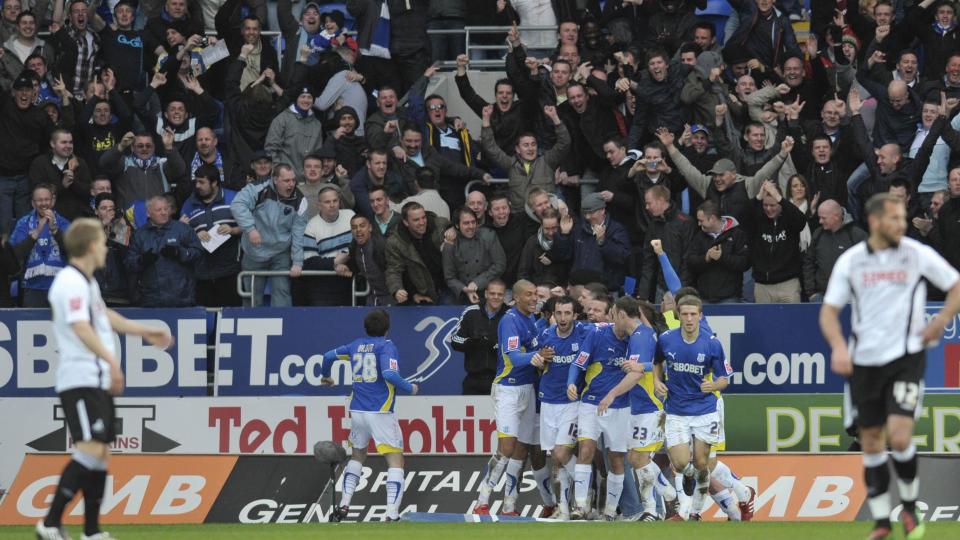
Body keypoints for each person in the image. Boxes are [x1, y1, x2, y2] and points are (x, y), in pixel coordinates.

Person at [820, 193, 960, 540]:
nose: (901, 225)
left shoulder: (916, 254)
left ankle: (910, 508)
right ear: (875, 222)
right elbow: (828, 311)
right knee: (870, 441)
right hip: (864, 362)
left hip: (906, 357)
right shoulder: (852, 261)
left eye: (902, 219)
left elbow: (956, 285)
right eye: (895, 219)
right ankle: (882, 522)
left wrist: (941, 317)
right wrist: (838, 346)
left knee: (899, 437)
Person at [36, 218, 173, 540]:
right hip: (81, 378)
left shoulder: (88, 283)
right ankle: (51, 523)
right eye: (101, 242)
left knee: (100, 453)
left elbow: (103, 316)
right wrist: (112, 362)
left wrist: (145, 330)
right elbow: (82, 326)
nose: (105, 248)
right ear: (88, 246)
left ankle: (92, 531)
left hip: (94, 380)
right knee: (90, 448)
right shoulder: (69, 281)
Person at [322, 309, 420, 523]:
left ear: (366, 328)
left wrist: (326, 376)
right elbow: (389, 374)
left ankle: (344, 504)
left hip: (358, 410)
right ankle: (391, 514)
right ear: (387, 329)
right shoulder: (386, 346)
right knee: (395, 460)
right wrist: (410, 388)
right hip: (381, 411)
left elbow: (327, 356)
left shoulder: (355, 345)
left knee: (358, 455)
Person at [474, 279, 554, 516]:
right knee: (506, 447)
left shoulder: (531, 320)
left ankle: (510, 505)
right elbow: (512, 357)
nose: (533, 299)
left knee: (522, 449)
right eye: (529, 295)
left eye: (535, 295)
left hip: (528, 388)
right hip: (508, 389)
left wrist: (544, 353)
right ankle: (482, 500)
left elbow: (536, 350)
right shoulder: (509, 320)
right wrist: (536, 356)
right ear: (516, 298)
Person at [654, 295, 732, 521]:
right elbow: (657, 363)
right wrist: (657, 381)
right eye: (684, 314)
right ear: (678, 315)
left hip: (704, 411)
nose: (688, 319)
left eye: (693, 314)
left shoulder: (712, 343)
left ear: (700, 316)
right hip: (676, 411)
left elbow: (724, 379)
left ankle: (696, 512)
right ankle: (688, 477)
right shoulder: (666, 339)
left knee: (701, 462)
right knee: (680, 463)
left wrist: (713, 385)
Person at [529, 295, 585, 520]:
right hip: (548, 401)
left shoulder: (584, 334)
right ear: (553, 315)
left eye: (567, 313)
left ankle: (584, 493)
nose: (562, 318)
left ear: (575, 315)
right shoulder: (545, 335)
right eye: (558, 313)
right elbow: (537, 363)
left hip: (571, 403)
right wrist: (539, 358)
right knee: (556, 457)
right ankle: (563, 509)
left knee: (562, 453)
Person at [231, 164, 308, 307]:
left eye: (293, 180)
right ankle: (251, 327)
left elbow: (298, 233)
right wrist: (250, 229)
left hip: (281, 252)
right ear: (275, 180)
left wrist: (298, 262)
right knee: (252, 297)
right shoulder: (258, 188)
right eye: (286, 181)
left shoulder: (301, 201)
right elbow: (237, 205)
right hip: (254, 252)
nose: (291, 184)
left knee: (282, 292)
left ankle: (284, 326)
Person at [480, 104, 570, 213]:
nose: (530, 148)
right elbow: (490, 148)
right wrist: (485, 119)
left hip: (546, 216)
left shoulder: (547, 161)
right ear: (518, 149)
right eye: (526, 145)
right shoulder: (510, 164)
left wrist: (555, 117)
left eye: (533, 144)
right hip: (520, 217)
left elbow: (564, 143)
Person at [179, 164, 242, 307]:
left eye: (202, 182)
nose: (197, 186)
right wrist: (194, 233)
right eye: (196, 182)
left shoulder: (235, 198)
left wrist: (233, 230)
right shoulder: (188, 204)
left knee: (230, 319)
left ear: (214, 183)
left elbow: (250, 227)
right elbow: (181, 235)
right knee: (205, 321)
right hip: (201, 273)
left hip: (229, 270)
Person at [125, 195, 203, 307]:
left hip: (182, 298)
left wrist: (179, 253)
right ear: (148, 213)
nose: (163, 212)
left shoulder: (183, 229)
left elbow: (198, 253)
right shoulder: (139, 235)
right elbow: (129, 263)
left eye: (166, 209)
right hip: (151, 299)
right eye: (158, 210)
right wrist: (142, 260)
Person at [10, 183, 70, 307]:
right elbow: (15, 255)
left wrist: (55, 231)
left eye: (47, 199)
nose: (44, 203)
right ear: (33, 203)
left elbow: (73, 251)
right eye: (40, 200)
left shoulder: (64, 223)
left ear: (52, 201)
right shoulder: (23, 223)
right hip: (32, 288)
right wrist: (35, 233)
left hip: (59, 287)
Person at [747, 180, 807, 303]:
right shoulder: (758, 219)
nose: (768, 209)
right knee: (764, 322)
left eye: (773, 205)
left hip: (788, 283)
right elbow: (742, 217)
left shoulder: (789, 218)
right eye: (765, 205)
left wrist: (779, 197)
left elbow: (801, 220)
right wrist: (758, 197)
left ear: (780, 204)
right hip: (762, 285)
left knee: (791, 321)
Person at [385, 202, 451, 305]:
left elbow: (460, 221)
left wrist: (454, 229)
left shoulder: (439, 225)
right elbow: (393, 270)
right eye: (416, 220)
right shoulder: (395, 242)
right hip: (422, 294)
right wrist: (397, 290)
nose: (422, 222)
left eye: (423, 217)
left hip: (449, 287)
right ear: (406, 222)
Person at [451, 279, 510, 395]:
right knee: (469, 413)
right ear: (486, 294)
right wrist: (474, 341)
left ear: (505, 296)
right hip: (474, 380)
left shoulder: (511, 315)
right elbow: (454, 341)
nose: (496, 297)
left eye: (500, 294)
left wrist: (497, 344)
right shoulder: (471, 312)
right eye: (492, 293)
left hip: (503, 381)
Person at [299, 185, 355, 306]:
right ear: (319, 205)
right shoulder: (311, 226)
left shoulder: (350, 216)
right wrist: (334, 263)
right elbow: (309, 261)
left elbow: (360, 245)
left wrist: (345, 262)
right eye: (327, 202)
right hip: (323, 284)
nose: (332, 205)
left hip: (350, 278)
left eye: (335, 201)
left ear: (339, 202)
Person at [803, 200, 867, 301]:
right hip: (821, 296)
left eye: (823, 218)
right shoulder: (818, 234)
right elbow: (808, 262)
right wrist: (811, 292)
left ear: (836, 216)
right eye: (819, 217)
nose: (820, 221)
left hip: (850, 298)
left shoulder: (856, 235)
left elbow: (869, 264)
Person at [442, 207, 506, 304]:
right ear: (457, 225)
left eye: (473, 222)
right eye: (466, 223)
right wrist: (465, 289)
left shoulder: (488, 236)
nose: (471, 226)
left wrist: (478, 282)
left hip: (487, 287)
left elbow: (500, 265)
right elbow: (449, 277)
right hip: (461, 292)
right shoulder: (450, 243)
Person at [28, 129, 93, 221]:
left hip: (78, 219)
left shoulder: (80, 163)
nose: (68, 146)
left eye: (70, 142)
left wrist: (73, 182)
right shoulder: (39, 163)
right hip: (49, 218)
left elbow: (88, 191)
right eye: (63, 142)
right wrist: (62, 185)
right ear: (52, 144)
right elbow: (36, 194)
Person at [345, 214, 391, 306]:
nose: (358, 230)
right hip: (373, 297)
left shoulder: (382, 246)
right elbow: (354, 266)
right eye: (354, 227)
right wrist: (343, 266)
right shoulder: (354, 248)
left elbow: (398, 269)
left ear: (370, 228)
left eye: (362, 226)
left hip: (393, 296)